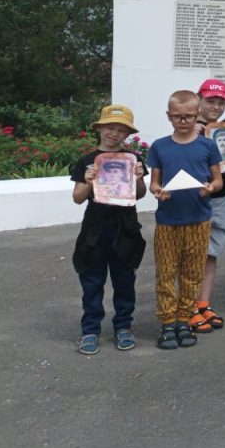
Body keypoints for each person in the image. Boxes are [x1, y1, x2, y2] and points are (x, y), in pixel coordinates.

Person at [147, 90, 223, 350]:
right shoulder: (160, 146)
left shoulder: (207, 145)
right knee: (166, 273)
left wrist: (210, 188)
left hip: (199, 219)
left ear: (197, 115)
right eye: (177, 116)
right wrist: (158, 190)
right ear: (168, 116)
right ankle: (167, 323)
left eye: (189, 116)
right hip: (168, 220)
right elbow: (154, 182)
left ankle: (184, 319)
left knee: (193, 273)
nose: (183, 121)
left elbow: (217, 180)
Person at [70, 104, 147, 355]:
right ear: (100, 129)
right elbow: (78, 198)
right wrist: (89, 181)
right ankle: (90, 330)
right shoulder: (87, 161)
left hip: (125, 227)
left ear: (128, 134)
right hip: (95, 229)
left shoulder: (132, 160)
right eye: (110, 128)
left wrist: (138, 178)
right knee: (92, 281)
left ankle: (123, 327)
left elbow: (140, 194)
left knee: (125, 280)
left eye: (121, 130)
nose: (114, 134)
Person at [192, 78, 225, 334]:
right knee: (190, 251)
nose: (215, 106)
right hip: (193, 197)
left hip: (221, 197)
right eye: (210, 101)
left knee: (211, 252)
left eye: (220, 102)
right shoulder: (187, 126)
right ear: (199, 100)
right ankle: (187, 306)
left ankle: (203, 303)